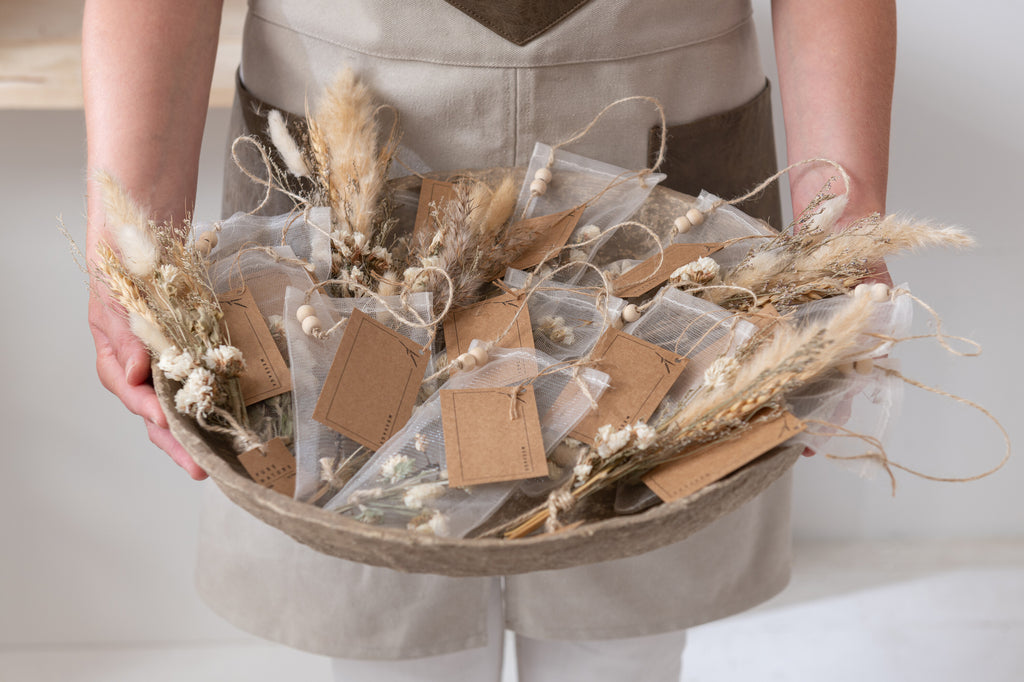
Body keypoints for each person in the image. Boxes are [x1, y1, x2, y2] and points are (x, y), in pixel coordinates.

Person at [82, 1, 896, 679]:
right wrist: (126, 251)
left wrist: (846, 245)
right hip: (345, 161)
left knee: (619, 623)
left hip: (658, 137)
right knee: (386, 614)